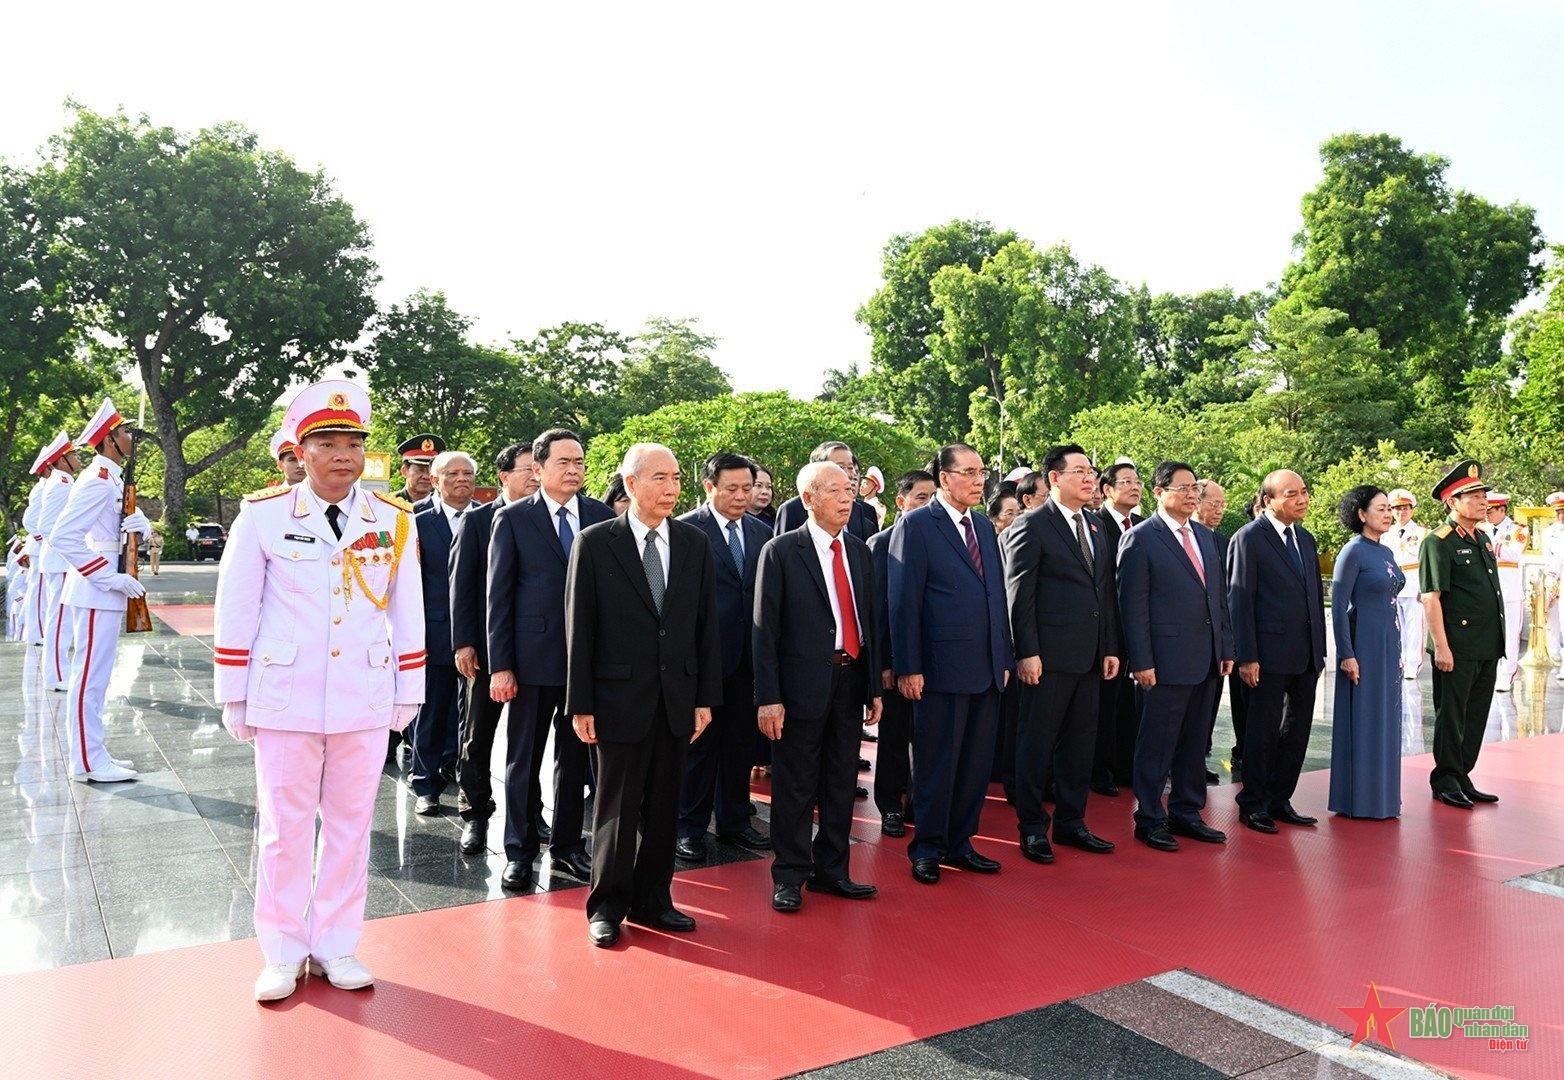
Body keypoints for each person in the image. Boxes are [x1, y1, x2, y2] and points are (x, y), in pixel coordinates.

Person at [212, 379, 425, 1003]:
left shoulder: (390, 520)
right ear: (300, 452)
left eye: (352, 443)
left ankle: (336, 944)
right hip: (286, 696)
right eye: (326, 443)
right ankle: (281, 950)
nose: (342, 455)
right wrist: (235, 691)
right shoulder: (264, 515)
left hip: (362, 693)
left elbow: (407, 610)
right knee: (284, 828)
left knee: (352, 827)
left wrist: (406, 687)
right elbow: (237, 607)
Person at [565, 443, 722, 947]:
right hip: (616, 699)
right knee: (616, 806)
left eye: (676, 478)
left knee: (664, 805)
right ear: (630, 484)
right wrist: (581, 703)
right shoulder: (595, 542)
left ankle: (655, 899)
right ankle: (607, 905)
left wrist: (704, 698)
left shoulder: (695, 544)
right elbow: (580, 629)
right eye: (659, 478)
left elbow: (705, 627)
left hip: (676, 696)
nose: (671, 488)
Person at [755, 460, 882, 912]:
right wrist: (768, 697)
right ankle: (789, 875)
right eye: (835, 491)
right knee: (794, 785)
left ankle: (833, 871)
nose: (847, 498)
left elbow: (870, 623)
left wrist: (874, 688)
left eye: (849, 490)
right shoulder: (782, 551)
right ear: (808, 499)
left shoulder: (860, 552)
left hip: (849, 681)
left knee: (840, 781)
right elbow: (764, 631)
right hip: (798, 687)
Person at [488, 429, 609, 889]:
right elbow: (497, 596)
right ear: (538, 469)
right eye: (564, 462)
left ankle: (568, 847)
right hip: (530, 661)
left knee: (575, 760)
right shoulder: (514, 519)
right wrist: (501, 664)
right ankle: (518, 850)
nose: (574, 469)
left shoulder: (599, 516)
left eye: (579, 461)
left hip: (586, 665)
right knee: (523, 758)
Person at [890, 443, 1013, 885]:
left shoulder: (982, 527)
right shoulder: (917, 525)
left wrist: (1004, 655)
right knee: (937, 763)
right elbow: (904, 602)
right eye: (970, 472)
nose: (981, 480)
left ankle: (961, 843)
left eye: (983, 472)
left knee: (975, 763)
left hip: (986, 667)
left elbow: (995, 596)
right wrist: (908, 666)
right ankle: (927, 847)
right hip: (939, 667)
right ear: (944, 478)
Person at [1002, 444, 1120, 865]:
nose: (1090, 479)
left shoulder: (1095, 525)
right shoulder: (1032, 525)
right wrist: (1026, 651)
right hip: (1046, 659)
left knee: (1079, 745)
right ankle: (1033, 828)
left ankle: (1072, 822)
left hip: (1090, 658)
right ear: (1054, 478)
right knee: (1036, 744)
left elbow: (1103, 592)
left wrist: (1109, 646)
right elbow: (1019, 594)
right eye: (1080, 472)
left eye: (1092, 472)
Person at [1118, 461, 1234, 851]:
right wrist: (1141, 661)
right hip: (1163, 660)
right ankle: (1149, 817)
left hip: (1206, 659)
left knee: (1195, 741)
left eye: (1194, 489)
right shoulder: (1141, 538)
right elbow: (1132, 607)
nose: (1190, 495)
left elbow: (1217, 599)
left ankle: (1187, 812)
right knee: (1156, 743)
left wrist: (1226, 646)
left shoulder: (1206, 537)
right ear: (1158, 492)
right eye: (1182, 488)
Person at [675, 453, 773, 862]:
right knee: (698, 748)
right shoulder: (682, 530)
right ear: (709, 486)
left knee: (739, 745)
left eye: (746, 488)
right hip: (701, 661)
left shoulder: (760, 532)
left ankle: (734, 822)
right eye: (730, 488)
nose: (740, 495)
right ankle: (689, 827)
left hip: (747, 659)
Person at [50, 398, 152, 783]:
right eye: (124, 432)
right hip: (96, 590)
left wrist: (139, 527)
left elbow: (111, 532)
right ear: (109, 440)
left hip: (105, 589)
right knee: (89, 678)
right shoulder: (95, 481)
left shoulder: (111, 479)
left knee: (99, 676)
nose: (130, 437)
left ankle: (96, 752)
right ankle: (87, 762)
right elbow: (64, 537)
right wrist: (108, 578)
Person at [1228, 469, 1326, 833]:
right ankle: (1253, 803)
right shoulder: (1249, 538)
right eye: (1291, 494)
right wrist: (1246, 655)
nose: (1302, 499)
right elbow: (1239, 600)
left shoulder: (1306, 539)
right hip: (1266, 655)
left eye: (1304, 491)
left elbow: (1314, 597)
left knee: (1297, 730)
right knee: (1262, 731)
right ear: (1268, 500)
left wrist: (1320, 650)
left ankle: (1280, 797)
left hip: (1305, 654)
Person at [452, 442, 535, 855]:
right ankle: (475, 813)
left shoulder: (547, 519)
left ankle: (531, 812)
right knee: (478, 734)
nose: (535, 475)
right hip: (487, 651)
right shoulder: (478, 521)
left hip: (537, 650)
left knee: (531, 740)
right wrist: (464, 642)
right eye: (526, 469)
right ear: (504, 476)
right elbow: (463, 588)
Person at [1420, 460, 1504, 810]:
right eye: (1474, 495)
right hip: (1456, 645)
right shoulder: (1437, 542)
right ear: (1453, 501)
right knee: (1451, 714)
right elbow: (1431, 597)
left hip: (1486, 643)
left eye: (1483, 493)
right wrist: (1441, 646)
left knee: (1476, 714)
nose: (1483, 499)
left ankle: (1463, 773)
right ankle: (1446, 778)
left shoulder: (1482, 539)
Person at [408, 450, 477, 815]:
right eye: (453, 474)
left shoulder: (489, 519)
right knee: (431, 712)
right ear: (435, 480)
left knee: (468, 716)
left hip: (477, 636)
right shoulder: (416, 522)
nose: (462, 479)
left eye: (468, 473)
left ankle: (458, 771)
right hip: (433, 632)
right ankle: (425, 783)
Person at [1328, 486, 1403, 820]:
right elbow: (1339, 606)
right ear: (1361, 514)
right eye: (1381, 509)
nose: (1388, 514)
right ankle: (1359, 799)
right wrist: (1346, 653)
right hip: (1363, 647)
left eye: (1390, 509)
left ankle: (1384, 799)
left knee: (1386, 718)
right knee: (1365, 719)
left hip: (1389, 643)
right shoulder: (1353, 552)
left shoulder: (1385, 552)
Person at [868, 470, 936, 835]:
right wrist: (885, 663)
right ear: (901, 502)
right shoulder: (880, 543)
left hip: (935, 660)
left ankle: (921, 802)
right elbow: (878, 612)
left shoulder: (939, 540)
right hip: (895, 662)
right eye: (921, 497)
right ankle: (891, 805)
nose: (927, 504)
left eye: (932, 497)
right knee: (895, 736)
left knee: (929, 737)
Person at [1092, 460, 1144, 796]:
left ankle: (1127, 766)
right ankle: (1100, 770)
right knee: (1104, 704)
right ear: (1108, 490)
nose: (1134, 486)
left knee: (1133, 703)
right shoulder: (1095, 525)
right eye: (1126, 481)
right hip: (1106, 631)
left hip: (1137, 629)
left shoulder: (1143, 525)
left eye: (1137, 480)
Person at [33, 431, 84, 692]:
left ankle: (59, 671)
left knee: (62, 619)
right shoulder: (61, 483)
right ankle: (56, 676)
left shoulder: (62, 480)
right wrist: (67, 550)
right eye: (73, 454)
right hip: (61, 562)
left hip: (60, 561)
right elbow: (44, 524)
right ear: (62, 459)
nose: (77, 458)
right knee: (60, 620)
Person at [775, 442, 879, 541]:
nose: (847, 473)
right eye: (840, 467)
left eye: (850, 467)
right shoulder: (792, 510)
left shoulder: (856, 509)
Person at [1197, 478, 1230, 784]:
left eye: (1223, 504)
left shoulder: (1221, 542)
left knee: (1207, 709)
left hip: (1215, 644)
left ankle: (1199, 759)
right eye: (1214, 503)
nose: (1219, 510)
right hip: (1182, 644)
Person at [1482, 492, 1527, 692]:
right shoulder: (1482, 528)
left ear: (1502, 509)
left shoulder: (1518, 529)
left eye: (1490, 511)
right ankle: (1491, 673)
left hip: (1509, 592)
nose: (1487, 515)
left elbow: (1514, 553)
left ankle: (1507, 673)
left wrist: (1492, 547)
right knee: (1490, 633)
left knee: (1509, 635)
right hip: (1488, 591)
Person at [1387, 489, 1427, 682]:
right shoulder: (1386, 533)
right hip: (1393, 586)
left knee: (1414, 627)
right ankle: (1400, 661)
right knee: (1397, 627)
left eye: (1404, 508)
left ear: (1411, 509)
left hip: (1413, 584)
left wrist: (1424, 587)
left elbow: (1426, 563)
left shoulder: (1422, 533)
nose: (1400, 512)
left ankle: (1412, 664)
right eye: (1396, 509)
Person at [1543, 491, 1564, 681]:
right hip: (1554, 581)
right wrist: (1550, 582)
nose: (1561, 515)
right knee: (1552, 622)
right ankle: (1555, 655)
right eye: (1558, 511)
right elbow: (1548, 559)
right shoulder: (1550, 532)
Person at [392, 433, 443, 505]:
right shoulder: (390, 504)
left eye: (430, 471)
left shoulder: (443, 506)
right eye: (420, 470)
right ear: (404, 471)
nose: (426, 476)